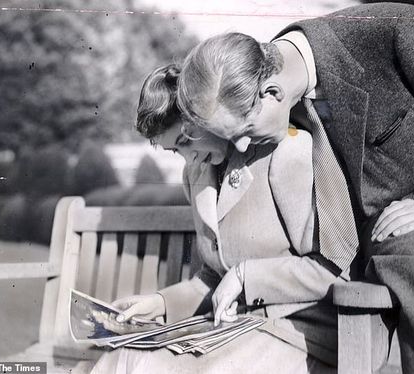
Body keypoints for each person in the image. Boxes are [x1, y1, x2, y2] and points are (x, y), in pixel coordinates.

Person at [177, 3, 414, 374]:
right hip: (338, 270)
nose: (242, 148)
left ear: (272, 92)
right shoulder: (254, 82)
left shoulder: (404, 32)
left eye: (244, 134)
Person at [90, 64, 339, 373]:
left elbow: (332, 269)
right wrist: (160, 303)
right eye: (174, 151)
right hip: (231, 331)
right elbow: (214, 276)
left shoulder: (286, 153)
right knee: (121, 359)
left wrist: (247, 275)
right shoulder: (196, 173)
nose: (189, 158)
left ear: (207, 114)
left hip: (299, 336)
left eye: (185, 141)